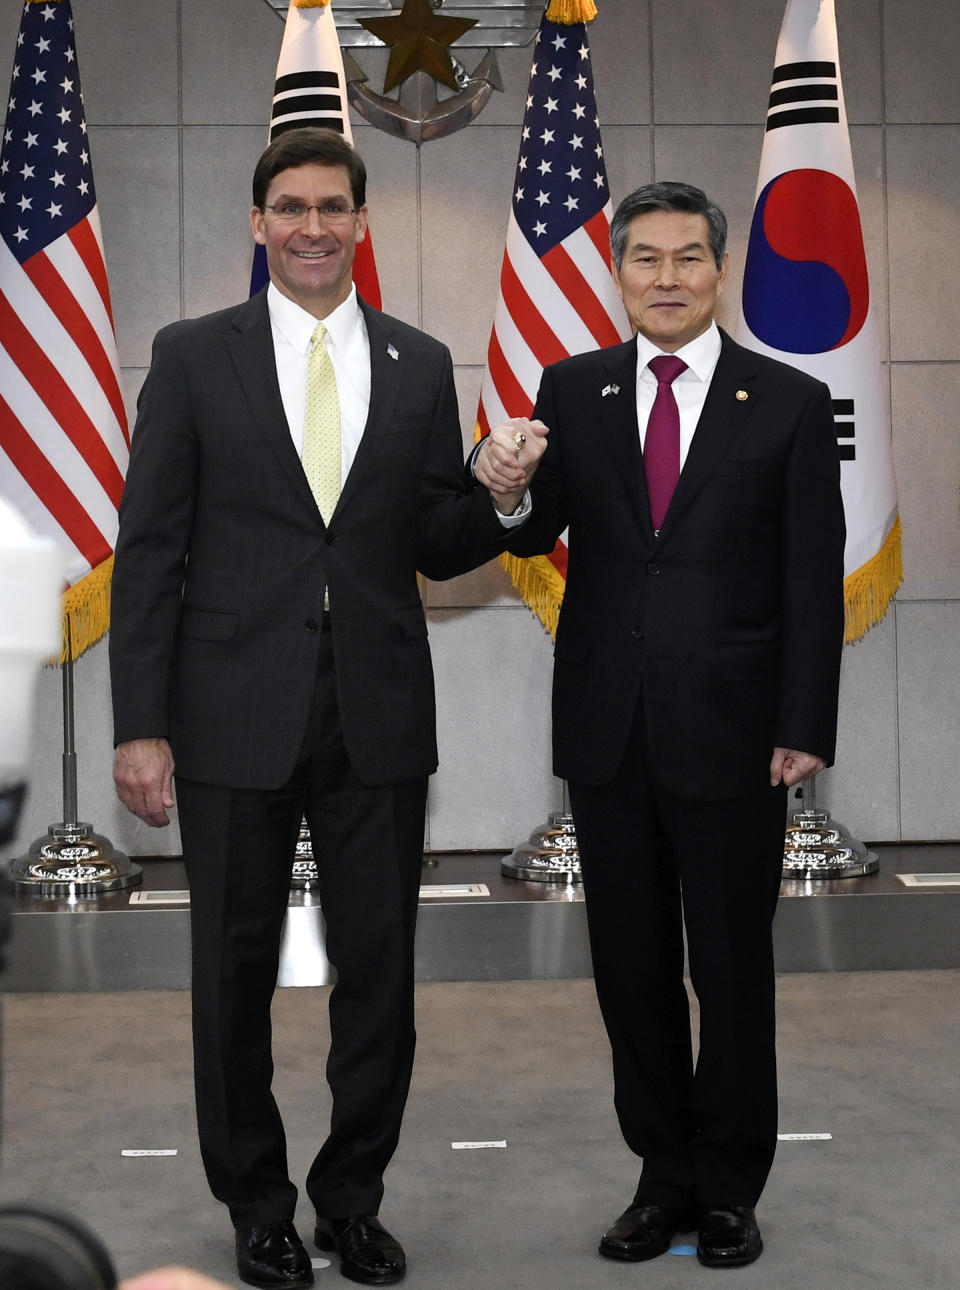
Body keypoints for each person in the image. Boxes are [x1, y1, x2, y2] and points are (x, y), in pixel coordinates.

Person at [109, 127, 544, 1290]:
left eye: (333, 207)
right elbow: (148, 551)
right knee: (230, 974)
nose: (312, 226)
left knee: (380, 972)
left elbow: (437, 542)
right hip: (225, 717)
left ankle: (353, 1199)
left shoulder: (418, 360)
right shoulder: (193, 357)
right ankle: (256, 1207)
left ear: (361, 223)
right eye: (290, 207)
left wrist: (502, 496)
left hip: (377, 718)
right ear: (259, 225)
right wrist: (138, 722)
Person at [476, 181, 845, 1269]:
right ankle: (661, 1175)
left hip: (739, 735)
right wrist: (503, 488)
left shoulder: (785, 399)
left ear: (719, 272)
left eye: (689, 258)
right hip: (608, 733)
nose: (668, 278)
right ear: (619, 272)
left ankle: (729, 1186)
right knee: (628, 970)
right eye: (646, 259)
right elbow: (535, 525)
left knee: (730, 972)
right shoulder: (573, 389)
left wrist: (804, 721)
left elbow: (811, 580)